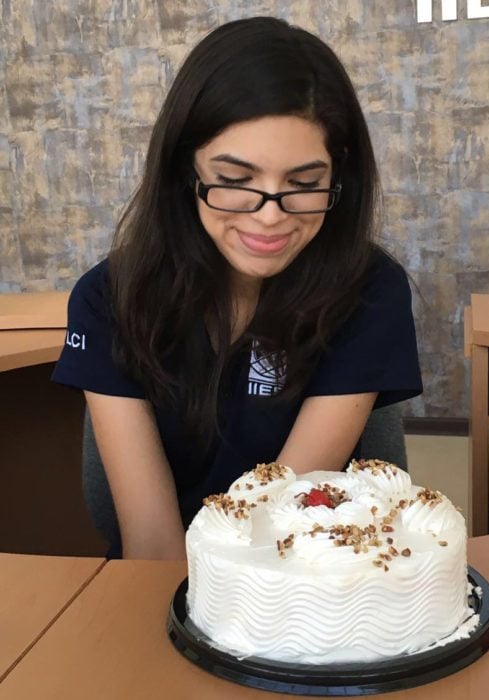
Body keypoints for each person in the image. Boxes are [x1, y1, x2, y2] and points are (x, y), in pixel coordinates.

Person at [52, 16, 422, 560]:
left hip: (303, 577)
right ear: (186, 169)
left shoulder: (369, 291)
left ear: (338, 177)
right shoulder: (108, 298)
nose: (269, 216)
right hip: (159, 588)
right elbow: (151, 541)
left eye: (303, 184)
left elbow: (282, 523)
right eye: (233, 181)